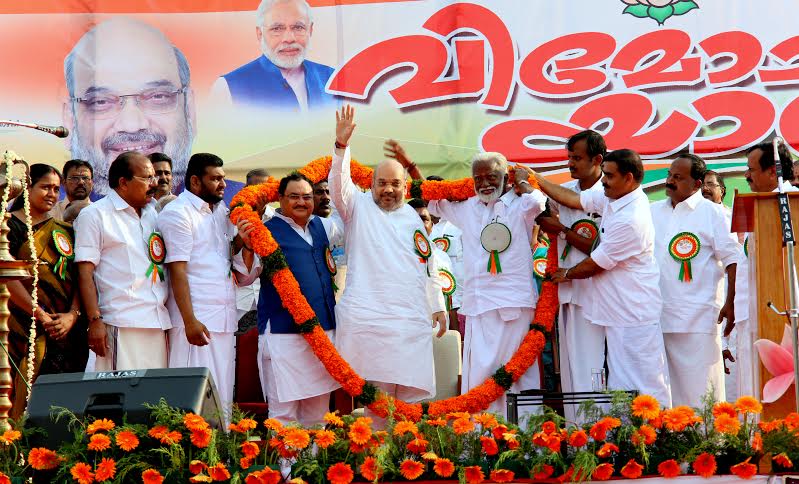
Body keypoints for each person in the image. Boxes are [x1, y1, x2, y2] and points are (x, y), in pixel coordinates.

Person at [521, 149, 672, 406]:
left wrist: (566, 273)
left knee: (646, 382)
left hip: (634, 314)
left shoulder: (632, 217)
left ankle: (661, 439)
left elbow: (597, 262)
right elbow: (574, 199)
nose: (604, 181)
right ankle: (629, 440)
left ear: (629, 178)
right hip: (616, 312)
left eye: (610, 177)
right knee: (621, 384)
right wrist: (536, 180)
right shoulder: (614, 197)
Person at [330, 106, 447, 425]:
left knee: (409, 405)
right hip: (372, 323)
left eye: (395, 183)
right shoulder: (357, 206)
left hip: (410, 321)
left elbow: (428, 265)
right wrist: (341, 148)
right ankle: (377, 468)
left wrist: (437, 305)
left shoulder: (413, 216)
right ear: (372, 183)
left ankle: (407, 465)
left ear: (405, 186)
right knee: (378, 405)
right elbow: (338, 187)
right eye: (382, 183)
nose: (388, 189)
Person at [427, 150, 546, 417]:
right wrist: (414, 168)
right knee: (480, 376)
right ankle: (482, 440)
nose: (484, 184)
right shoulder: (468, 208)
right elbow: (433, 201)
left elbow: (539, 203)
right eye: (477, 178)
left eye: (491, 176)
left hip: (513, 305)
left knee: (516, 376)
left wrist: (523, 182)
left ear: (506, 177)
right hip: (478, 308)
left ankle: (525, 443)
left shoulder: (520, 204)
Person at [237, 173, 343, 425]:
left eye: (307, 197)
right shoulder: (265, 231)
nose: (301, 202)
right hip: (283, 336)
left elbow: (348, 210)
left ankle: (314, 463)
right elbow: (244, 277)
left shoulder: (324, 226)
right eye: (293, 196)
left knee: (318, 414)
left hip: (324, 331)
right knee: (283, 413)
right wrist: (248, 246)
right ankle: (285, 465)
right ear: (280, 199)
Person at [159, 153, 249, 416]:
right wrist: (189, 321)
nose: (223, 184)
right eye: (216, 179)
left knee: (220, 394)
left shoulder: (221, 211)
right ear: (196, 182)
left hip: (223, 318)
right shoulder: (178, 213)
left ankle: (218, 453)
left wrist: (242, 240)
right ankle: (190, 453)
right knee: (192, 398)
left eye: (223, 178)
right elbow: (178, 270)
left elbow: (224, 255)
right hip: (195, 321)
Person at [63, 17, 195, 196]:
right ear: (70, 121)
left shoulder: (228, 206)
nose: (132, 125)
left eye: (158, 96)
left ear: (190, 111)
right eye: (101, 102)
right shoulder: (48, 211)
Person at [650, 154, 739, 407]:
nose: (670, 181)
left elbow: (733, 259)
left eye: (678, 177)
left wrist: (731, 302)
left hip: (698, 317)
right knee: (666, 395)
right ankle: (674, 445)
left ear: (697, 184)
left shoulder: (714, 213)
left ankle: (711, 445)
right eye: (669, 175)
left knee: (703, 391)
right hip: (657, 317)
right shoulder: (652, 210)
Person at [74, 151, 171, 371]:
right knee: (120, 399)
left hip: (157, 321)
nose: (154, 184)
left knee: (156, 401)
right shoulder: (95, 215)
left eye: (154, 177)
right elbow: (85, 273)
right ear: (123, 183)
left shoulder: (153, 214)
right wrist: (95, 321)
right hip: (120, 323)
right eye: (147, 178)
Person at [6, 164, 88, 417]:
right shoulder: (7, 227)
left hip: (64, 331)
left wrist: (72, 316)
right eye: (45, 187)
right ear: (27, 188)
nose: (52, 193)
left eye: (56, 188)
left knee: (62, 406)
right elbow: (7, 276)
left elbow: (80, 278)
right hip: (18, 327)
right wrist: (40, 315)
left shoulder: (65, 231)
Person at [535, 130, 606, 420]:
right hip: (565, 291)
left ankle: (599, 429)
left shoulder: (608, 195)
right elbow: (543, 219)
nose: (571, 163)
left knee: (592, 364)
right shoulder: (563, 190)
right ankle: (576, 431)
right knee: (570, 363)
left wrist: (560, 229)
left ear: (597, 160)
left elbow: (599, 249)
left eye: (577, 158)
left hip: (596, 291)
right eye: (569, 157)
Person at [733, 141, 797, 399]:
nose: (746, 175)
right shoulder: (758, 207)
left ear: (774, 172)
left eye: (751, 169)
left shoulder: (791, 205)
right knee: (750, 386)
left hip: (782, 314)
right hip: (752, 313)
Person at [213, 0, 336, 111]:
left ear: (310, 30)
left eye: (298, 27)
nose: (289, 38)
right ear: (260, 34)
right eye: (277, 29)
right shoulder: (228, 88)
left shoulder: (333, 79)